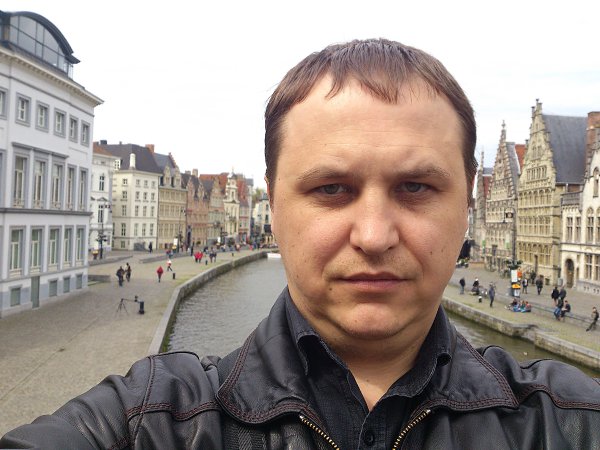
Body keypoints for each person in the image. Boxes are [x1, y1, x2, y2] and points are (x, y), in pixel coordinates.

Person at [2, 38, 598, 449]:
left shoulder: (567, 421)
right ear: (276, 203)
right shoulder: (156, 420)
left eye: (416, 188)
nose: (373, 236)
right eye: (331, 189)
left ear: (467, 202)